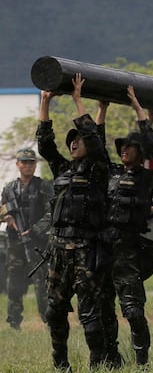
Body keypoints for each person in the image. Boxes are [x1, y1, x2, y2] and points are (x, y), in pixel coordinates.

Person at [36, 74, 111, 370]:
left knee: (89, 314)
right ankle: (61, 364)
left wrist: (79, 100)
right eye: (71, 142)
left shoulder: (98, 170)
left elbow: (93, 136)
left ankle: (97, 363)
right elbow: (45, 145)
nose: (73, 144)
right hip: (58, 251)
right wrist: (45, 101)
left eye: (77, 141)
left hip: (85, 250)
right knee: (54, 310)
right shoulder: (63, 170)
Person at [92, 86, 153, 367]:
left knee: (133, 310)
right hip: (104, 250)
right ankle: (112, 358)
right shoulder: (110, 174)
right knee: (104, 308)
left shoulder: (146, 176)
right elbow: (96, 146)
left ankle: (142, 361)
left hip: (129, 252)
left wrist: (138, 109)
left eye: (129, 147)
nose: (123, 150)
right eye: (121, 147)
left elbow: (151, 145)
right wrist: (102, 109)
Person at [1, 147, 52, 330]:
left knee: (41, 282)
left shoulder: (44, 186)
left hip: (37, 243)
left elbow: (51, 213)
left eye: (31, 162)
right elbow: (2, 210)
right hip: (15, 243)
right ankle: (14, 322)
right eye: (24, 162)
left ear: (35, 164)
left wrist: (34, 230)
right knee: (14, 282)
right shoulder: (9, 189)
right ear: (18, 164)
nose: (28, 166)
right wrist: (7, 218)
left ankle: (48, 321)